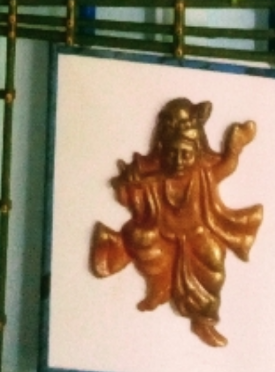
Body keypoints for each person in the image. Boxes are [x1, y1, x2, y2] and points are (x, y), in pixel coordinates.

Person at [90, 97, 263, 347]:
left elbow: (226, 167)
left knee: (214, 264)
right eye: (172, 154)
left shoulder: (203, 173)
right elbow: (127, 198)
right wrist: (129, 183)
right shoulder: (153, 178)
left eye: (186, 154)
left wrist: (234, 148)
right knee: (142, 242)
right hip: (161, 233)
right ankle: (157, 290)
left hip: (199, 233)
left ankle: (204, 321)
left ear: (197, 152)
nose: (179, 161)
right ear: (162, 151)